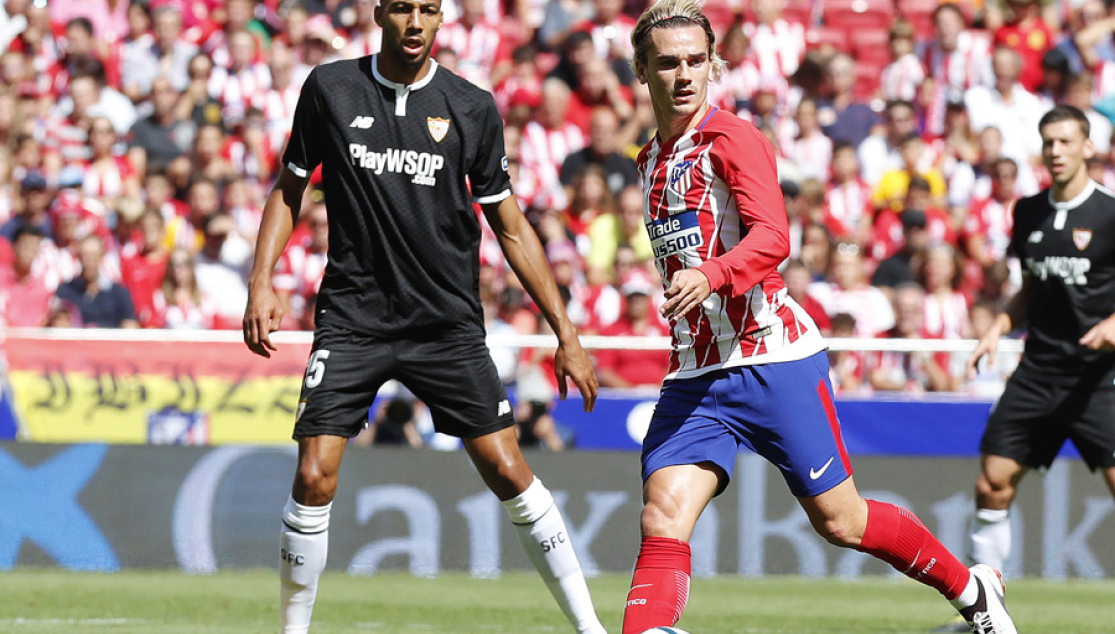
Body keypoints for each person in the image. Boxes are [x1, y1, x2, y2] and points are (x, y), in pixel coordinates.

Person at [620, 3, 1017, 634]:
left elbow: (773, 238)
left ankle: (974, 592)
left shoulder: (733, 139)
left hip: (769, 359)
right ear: (642, 70)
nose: (684, 74)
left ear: (714, 64)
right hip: (694, 372)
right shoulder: (647, 160)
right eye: (667, 63)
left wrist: (711, 275)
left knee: (843, 522)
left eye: (697, 60)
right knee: (662, 515)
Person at [241, 2, 607, 634]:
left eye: (429, 11)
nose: (415, 23)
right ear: (381, 11)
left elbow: (512, 227)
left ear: (443, 21)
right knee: (313, 473)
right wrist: (261, 280)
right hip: (353, 317)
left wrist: (566, 333)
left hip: (446, 323)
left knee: (509, 470)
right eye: (404, 8)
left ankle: (589, 629)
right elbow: (291, 184)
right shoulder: (331, 88)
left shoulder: (470, 106)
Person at [961, 104, 1115, 628]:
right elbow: (1028, 289)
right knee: (992, 482)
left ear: (1088, 148)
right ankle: (988, 613)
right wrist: (997, 326)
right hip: (1039, 369)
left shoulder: (1111, 214)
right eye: (1049, 142)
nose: (1056, 151)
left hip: (1101, 379)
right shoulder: (1027, 211)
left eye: (1067, 142)